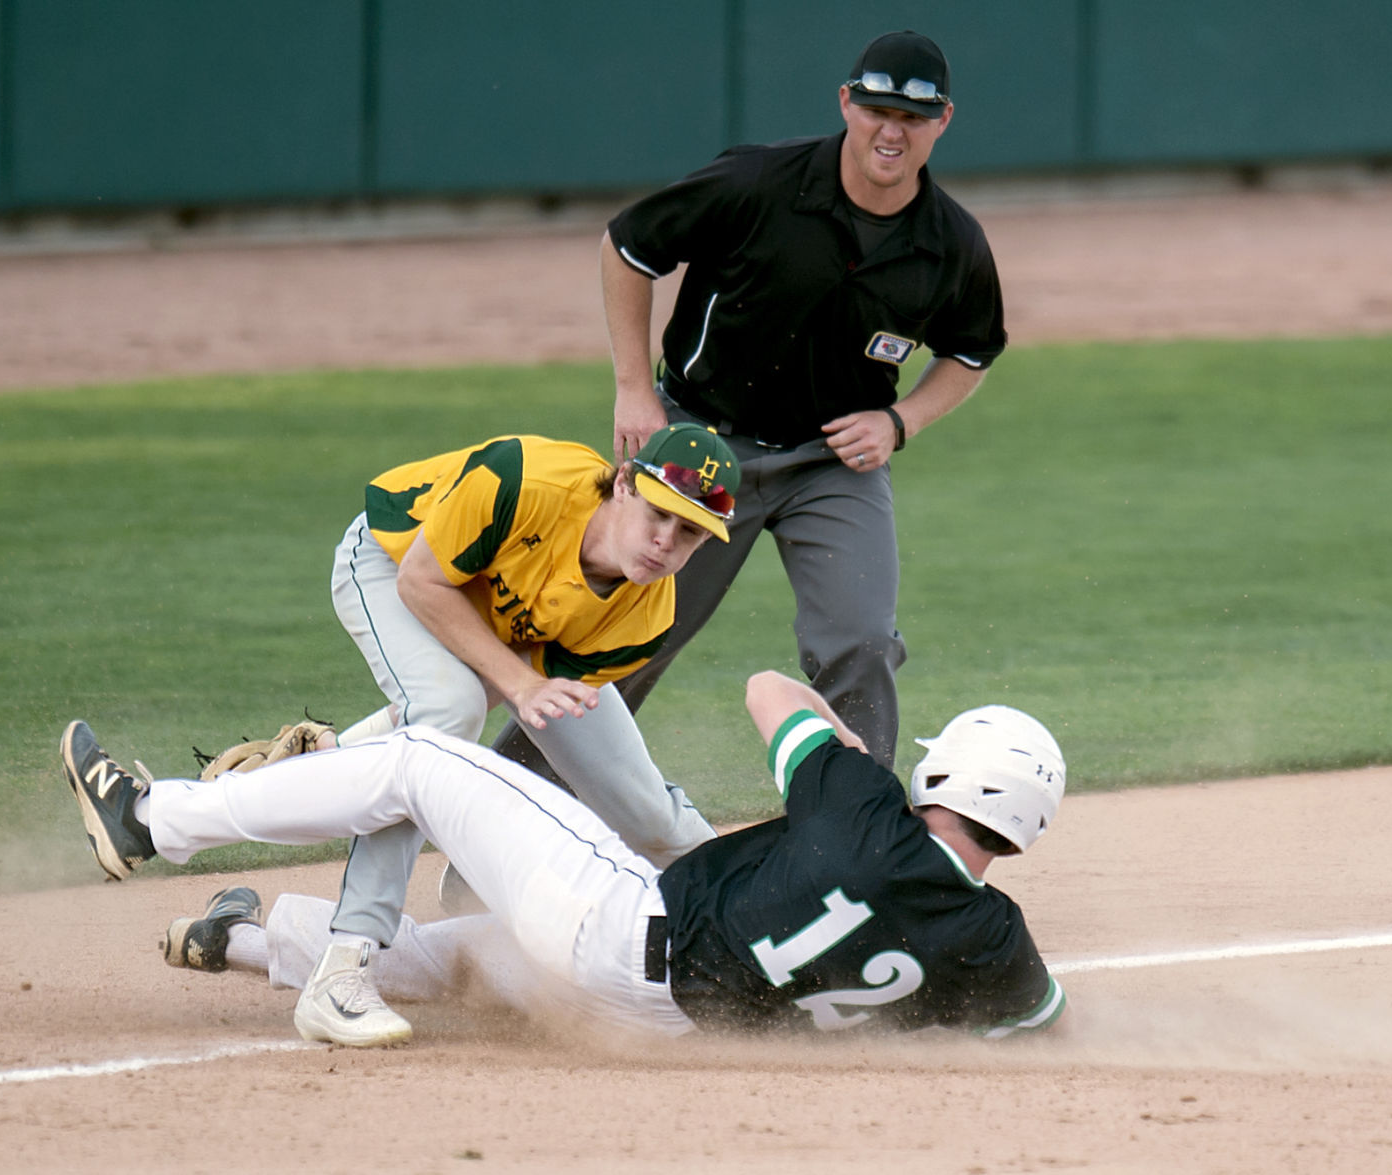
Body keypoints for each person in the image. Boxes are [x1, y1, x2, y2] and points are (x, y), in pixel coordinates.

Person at [76, 424, 740, 1044]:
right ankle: (343, 967)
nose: (665, 542)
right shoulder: (524, 479)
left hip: (500, 630)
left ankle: (748, 944)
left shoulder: (647, 615)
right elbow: (424, 583)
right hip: (393, 564)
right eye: (658, 514)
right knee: (446, 717)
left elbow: (532, 696)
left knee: (648, 811)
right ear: (623, 482)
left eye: (690, 533)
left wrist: (503, 731)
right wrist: (515, 682)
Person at [494, 29, 1004, 776]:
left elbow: (972, 349)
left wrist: (901, 421)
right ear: (845, 104)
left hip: (830, 464)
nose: (890, 131)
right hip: (702, 443)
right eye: (875, 109)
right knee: (630, 635)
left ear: (943, 121)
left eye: (913, 117)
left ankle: (857, 830)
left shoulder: (950, 242)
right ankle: (509, 801)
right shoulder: (759, 183)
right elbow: (629, 247)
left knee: (859, 641)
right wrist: (635, 388)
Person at [60, 669, 1067, 1046]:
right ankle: (236, 935)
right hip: (668, 1021)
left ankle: (153, 818)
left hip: (622, 922)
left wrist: (850, 758)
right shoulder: (993, 938)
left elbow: (770, 687)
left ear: (948, 779)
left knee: (416, 756)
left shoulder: (868, 809)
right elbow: (1038, 1023)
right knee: (464, 959)